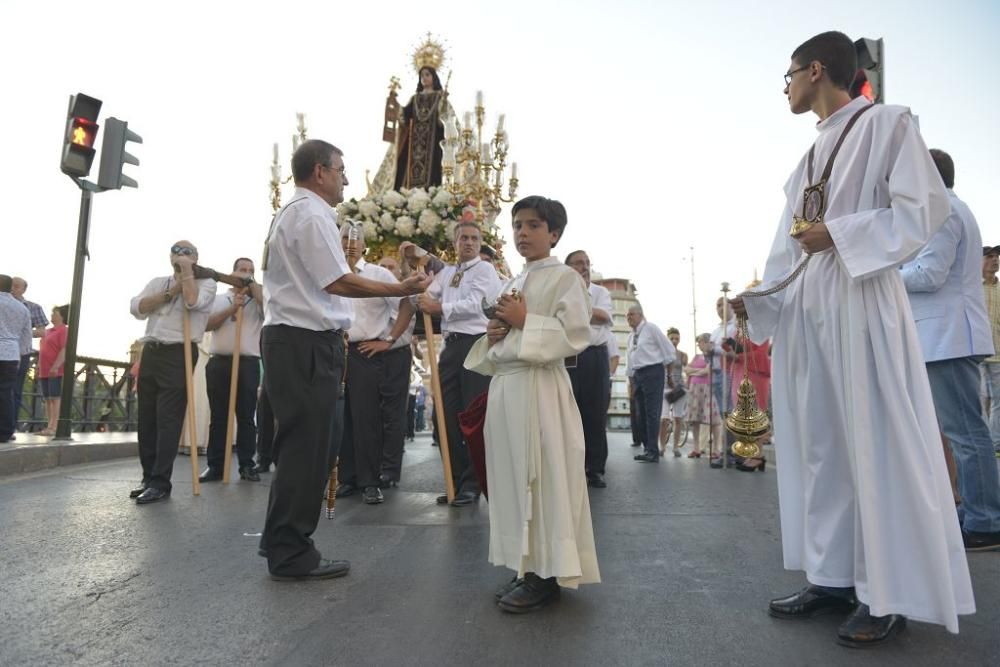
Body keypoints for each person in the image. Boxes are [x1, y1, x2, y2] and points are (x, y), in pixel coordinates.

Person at [730, 31, 973, 645]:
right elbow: (787, 248)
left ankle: (885, 592)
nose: (785, 87)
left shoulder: (888, 125)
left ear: (817, 70)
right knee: (822, 447)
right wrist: (757, 300)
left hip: (862, 299)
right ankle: (832, 576)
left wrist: (840, 233)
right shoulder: (804, 162)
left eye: (788, 75)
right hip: (811, 308)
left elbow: (925, 210)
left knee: (873, 442)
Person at [259, 139, 430, 581]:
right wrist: (399, 288)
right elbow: (338, 281)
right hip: (304, 342)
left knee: (308, 445)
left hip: (299, 341)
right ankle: (291, 551)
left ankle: (282, 540)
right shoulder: (312, 214)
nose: (347, 179)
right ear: (319, 171)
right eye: (340, 170)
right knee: (308, 447)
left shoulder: (298, 212)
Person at [465, 195, 600, 613]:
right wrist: (493, 335)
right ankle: (524, 564)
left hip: (541, 388)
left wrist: (525, 322)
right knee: (510, 477)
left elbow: (575, 336)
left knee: (542, 476)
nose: (522, 233)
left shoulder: (564, 279)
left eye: (533, 225)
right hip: (508, 387)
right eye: (517, 225)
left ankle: (547, 574)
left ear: (554, 234)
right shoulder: (511, 282)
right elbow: (501, 344)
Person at [901, 148, 1000, 552]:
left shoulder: (941, 212)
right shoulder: (950, 209)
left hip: (947, 337)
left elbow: (929, 273)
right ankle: (978, 513)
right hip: (947, 335)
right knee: (965, 431)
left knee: (966, 432)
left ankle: (985, 520)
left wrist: (883, 272)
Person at [411, 221, 503, 506]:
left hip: (475, 345)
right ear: (455, 242)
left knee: (472, 415)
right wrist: (420, 291)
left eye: (474, 238)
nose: (469, 242)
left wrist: (439, 308)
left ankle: (473, 484)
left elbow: (478, 304)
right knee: (445, 415)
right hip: (450, 349)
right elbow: (428, 293)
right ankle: (455, 479)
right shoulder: (450, 273)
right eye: (463, 237)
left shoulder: (485, 270)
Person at [129, 241, 218, 504]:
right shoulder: (158, 282)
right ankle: (148, 477)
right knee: (147, 418)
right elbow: (137, 307)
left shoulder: (208, 283)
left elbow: (192, 302)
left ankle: (160, 481)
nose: (180, 255)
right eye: (176, 251)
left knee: (168, 418)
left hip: (179, 351)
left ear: (196, 258)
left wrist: (187, 276)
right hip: (152, 350)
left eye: (186, 252)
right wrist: (171, 292)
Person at [335, 223, 415, 504]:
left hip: (364, 352)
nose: (351, 243)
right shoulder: (329, 272)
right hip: (333, 351)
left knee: (365, 417)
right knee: (340, 418)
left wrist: (390, 340)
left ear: (365, 245)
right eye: (345, 236)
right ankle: (347, 477)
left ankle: (370, 481)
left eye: (356, 238)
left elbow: (406, 302)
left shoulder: (378, 274)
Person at [200, 258, 265, 483]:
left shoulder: (258, 301)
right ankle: (215, 465)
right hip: (220, 362)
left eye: (250, 271)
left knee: (246, 416)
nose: (246, 274)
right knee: (219, 417)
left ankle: (247, 464)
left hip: (247, 362)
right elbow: (208, 324)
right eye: (242, 270)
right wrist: (232, 308)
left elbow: (270, 308)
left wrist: (252, 288)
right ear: (233, 272)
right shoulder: (220, 299)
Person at [564, 250, 613, 488]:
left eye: (587, 263)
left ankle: (595, 469)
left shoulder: (600, 292)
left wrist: (577, 303)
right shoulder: (561, 292)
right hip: (567, 356)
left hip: (594, 356)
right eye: (578, 263)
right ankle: (571, 467)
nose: (584, 267)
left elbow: (603, 317)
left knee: (595, 414)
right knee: (567, 413)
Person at [626, 304, 676, 463]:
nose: (628, 317)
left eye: (631, 314)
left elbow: (668, 350)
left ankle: (653, 451)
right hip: (638, 375)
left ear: (640, 315)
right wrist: (631, 382)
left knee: (652, 412)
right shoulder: (631, 336)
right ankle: (648, 447)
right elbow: (629, 361)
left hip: (653, 371)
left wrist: (670, 375)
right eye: (627, 315)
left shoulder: (651, 329)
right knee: (640, 414)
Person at [394, 66, 449, 190]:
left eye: (427, 75)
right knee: (405, 169)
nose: (424, 78)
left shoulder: (439, 97)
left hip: (432, 144)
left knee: (433, 170)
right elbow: (404, 118)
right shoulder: (415, 99)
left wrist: (444, 103)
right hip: (413, 145)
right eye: (422, 76)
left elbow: (445, 119)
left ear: (433, 77)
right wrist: (394, 104)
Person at [11, 277, 48, 430]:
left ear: (24, 289)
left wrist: (26, 332)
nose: (13, 288)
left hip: (21, 352)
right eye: (11, 285)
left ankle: (10, 427)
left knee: (16, 390)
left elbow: (42, 331)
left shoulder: (33, 307)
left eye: (16, 286)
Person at [0, 275, 31, 443]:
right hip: (11, 354)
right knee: (6, 393)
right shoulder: (22, 308)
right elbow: (26, 336)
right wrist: (21, 354)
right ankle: (5, 431)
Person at [683, 334, 722, 459]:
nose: (698, 344)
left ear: (706, 342)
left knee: (714, 420)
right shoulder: (696, 356)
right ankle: (696, 448)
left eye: (699, 342)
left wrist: (694, 371)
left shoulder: (711, 355)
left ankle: (716, 449)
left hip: (708, 388)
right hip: (694, 389)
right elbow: (686, 369)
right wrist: (696, 371)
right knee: (695, 420)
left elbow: (707, 371)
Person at [37, 304, 69, 436]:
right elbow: (42, 349)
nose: (51, 315)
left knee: (54, 398)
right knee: (47, 399)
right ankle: (49, 426)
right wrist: (39, 365)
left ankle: (54, 427)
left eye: (54, 313)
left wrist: (56, 365)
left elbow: (64, 349)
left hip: (55, 370)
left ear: (61, 316)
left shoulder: (64, 330)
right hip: (44, 370)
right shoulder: (48, 331)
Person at [980, 245, 1000, 456]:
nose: (995, 260)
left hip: (998, 353)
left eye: (997, 257)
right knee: (977, 397)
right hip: (974, 352)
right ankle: (984, 443)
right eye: (990, 257)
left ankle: (994, 445)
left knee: (999, 399)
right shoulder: (972, 287)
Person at [660, 327, 689, 457]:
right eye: (672, 338)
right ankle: (662, 446)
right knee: (663, 419)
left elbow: (687, 370)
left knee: (678, 419)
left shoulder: (683, 355)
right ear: (667, 339)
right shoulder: (661, 354)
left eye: (677, 338)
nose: (674, 340)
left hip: (679, 389)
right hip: (665, 388)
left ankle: (676, 447)